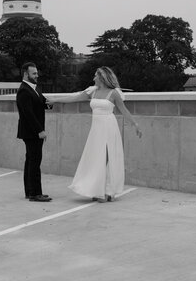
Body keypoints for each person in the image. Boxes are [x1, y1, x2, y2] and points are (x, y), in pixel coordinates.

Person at [52, 66, 141, 202]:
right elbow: (74, 98)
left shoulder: (113, 93)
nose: (93, 78)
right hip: (96, 130)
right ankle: (97, 190)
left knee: (105, 159)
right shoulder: (92, 92)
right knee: (96, 159)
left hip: (109, 128)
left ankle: (106, 192)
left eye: (95, 76)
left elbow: (124, 110)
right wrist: (56, 100)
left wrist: (135, 125)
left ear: (102, 77)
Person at [16, 62, 52, 202]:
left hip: (32, 132)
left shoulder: (34, 88)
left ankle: (30, 191)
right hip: (31, 132)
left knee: (31, 161)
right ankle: (35, 194)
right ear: (26, 74)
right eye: (34, 73)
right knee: (34, 162)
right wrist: (40, 131)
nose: (37, 75)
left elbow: (42, 103)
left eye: (37, 73)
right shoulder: (24, 90)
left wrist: (51, 103)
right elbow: (28, 113)